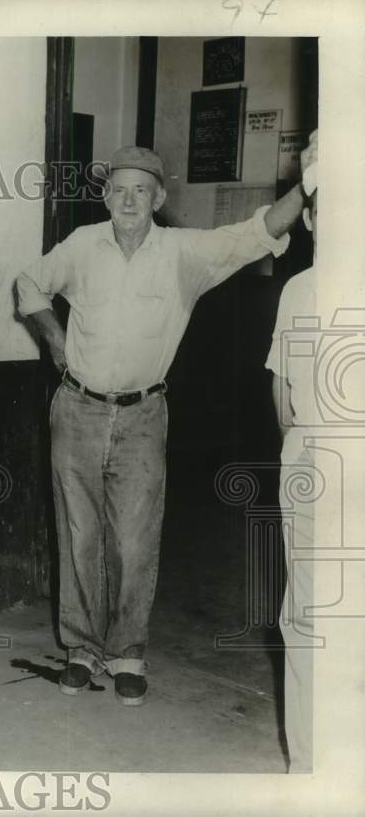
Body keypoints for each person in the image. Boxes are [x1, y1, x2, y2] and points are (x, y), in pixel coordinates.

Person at [16, 145, 307, 705]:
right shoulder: (80, 247)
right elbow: (29, 285)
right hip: (75, 409)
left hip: (143, 414)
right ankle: (81, 648)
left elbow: (255, 233)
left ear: (159, 198)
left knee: (134, 538)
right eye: (119, 189)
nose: (128, 200)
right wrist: (54, 338)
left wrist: (309, 186)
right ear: (105, 195)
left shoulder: (183, 254)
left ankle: (127, 652)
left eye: (140, 190)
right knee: (79, 534)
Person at [265, 130, 319, 772]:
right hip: (313, 462)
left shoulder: (301, 290)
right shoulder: (296, 292)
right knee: (309, 623)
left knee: (311, 624)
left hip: (312, 456)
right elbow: (283, 402)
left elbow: (282, 404)